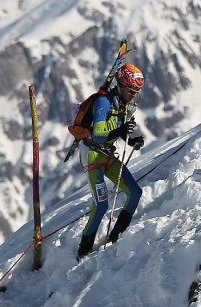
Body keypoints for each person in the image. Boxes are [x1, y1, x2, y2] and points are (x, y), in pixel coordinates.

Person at [76, 63, 146, 259]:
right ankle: (83, 252)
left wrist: (131, 140)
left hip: (106, 154)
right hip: (92, 155)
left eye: (137, 92)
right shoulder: (104, 103)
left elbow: (117, 129)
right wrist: (120, 131)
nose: (133, 95)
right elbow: (99, 135)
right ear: (121, 85)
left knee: (135, 193)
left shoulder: (123, 104)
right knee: (101, 205)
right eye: (131, 90)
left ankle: (115, 239)